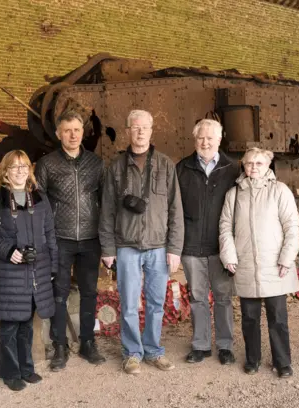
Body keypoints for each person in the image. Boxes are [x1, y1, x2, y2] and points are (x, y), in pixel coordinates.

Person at [99, 109, 184, 375]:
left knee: (157, 303)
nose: (139, 132)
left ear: (151, 131)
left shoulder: (165, 165)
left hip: (158, 248)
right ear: (128, 131)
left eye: (144, 128)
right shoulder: (116, 167)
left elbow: (175, 210)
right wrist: (108, 249)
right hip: (126, 247)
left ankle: (154, 350)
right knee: (128, 303)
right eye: (134, 128)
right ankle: (132, 353)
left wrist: (174, 248)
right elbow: (107, 211)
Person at [0, 150, 57, 391]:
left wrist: (52, 266)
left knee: (27, 323)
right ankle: (10, 372)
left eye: (24, 166)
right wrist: (8, 250)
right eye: (14, 167)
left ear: (30, 170)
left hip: (36, 272)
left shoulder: (40, 198)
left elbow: (49, 233)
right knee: (10, 324)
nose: (20, 171)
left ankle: (26, 368)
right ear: (5, 171)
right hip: (8, 271)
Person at [219, 147, 299, 377]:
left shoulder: (280, 191)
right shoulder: (233, 194)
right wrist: (229, 256)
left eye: (259, 163)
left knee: (278, 317)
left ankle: (282, 361)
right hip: (245, 264)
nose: (253, 167)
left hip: (274, 265)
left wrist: (287, 257)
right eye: (249, 163)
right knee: (249, 317)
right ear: (243, 166)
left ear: (268, 166)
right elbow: (225, 228)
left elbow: (292, 227)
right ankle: (252, 359)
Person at [35, 110, 106, 372]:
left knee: (89, 292)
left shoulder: (96, 164)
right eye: (67, 130)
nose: (73, 135)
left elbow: (106, 202)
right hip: (60, 239)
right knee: (59, 293)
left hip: (90, 239)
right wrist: (44, 237)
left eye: (76, 130)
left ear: (82, 132)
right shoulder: (47, 165)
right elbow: (39, 203)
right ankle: (60, 346)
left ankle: (88, 342)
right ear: (58, 134)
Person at [176, 119, 241, 365]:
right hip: (191, 246)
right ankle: (201, 345)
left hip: (221, 248)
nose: (205, 142)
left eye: (210, 138)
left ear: (219, 140)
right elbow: (174, 210)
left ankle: (225, 345)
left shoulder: (232, 169)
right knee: (197, 297)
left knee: (223, 298)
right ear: (195, 140)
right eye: (201, 138)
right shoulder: (181, 168)